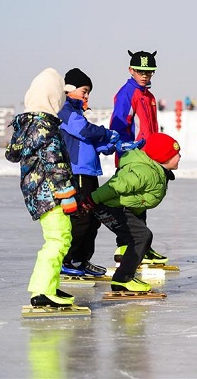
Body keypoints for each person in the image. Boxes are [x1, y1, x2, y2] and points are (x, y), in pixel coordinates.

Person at [6, 68, 80, 307]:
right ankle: (43, 290)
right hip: (50, 191)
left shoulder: (28, 125)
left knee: (56, 238)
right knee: (59, 239)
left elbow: (13, 153)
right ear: (52, 97)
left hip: (38, 192)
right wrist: (67, 194)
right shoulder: (44, 126)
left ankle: (46, 286)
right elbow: (54, 162)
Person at [58, 68, 142, 277]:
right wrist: (108, 133)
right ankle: (68, 260)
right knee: (81, 218)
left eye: (88, 93)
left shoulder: (78, 112)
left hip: (89, 171)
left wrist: (115, 146)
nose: (86, 96)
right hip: (76, 172)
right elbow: (84, 131)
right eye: (84, 91)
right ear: (69, 89)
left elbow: (92, 143)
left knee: (94, 218)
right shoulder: (65, 110)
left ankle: (82, 259)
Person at [80, 132, 181, 292]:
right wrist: (92, 200)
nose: (180, 156)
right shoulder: (144, 172)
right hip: (108, 207)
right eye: (176, 154)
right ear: (164, 158)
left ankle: (124, 270)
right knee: (142, 236)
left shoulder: (156, 171)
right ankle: (123, 279)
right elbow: (116, 185)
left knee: (140, 235)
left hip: (119, 207)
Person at [109, 50, 167, 265]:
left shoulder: (148, 96)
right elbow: (118, 125)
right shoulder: (127, 93)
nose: (145, 75)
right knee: (128, 203)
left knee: (141, 203)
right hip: (132, 158)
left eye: (149, 72)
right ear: (131, 70)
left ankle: (142, 247)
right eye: (141, 71)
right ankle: (125, 245)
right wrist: (125, 151)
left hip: (148, 158)